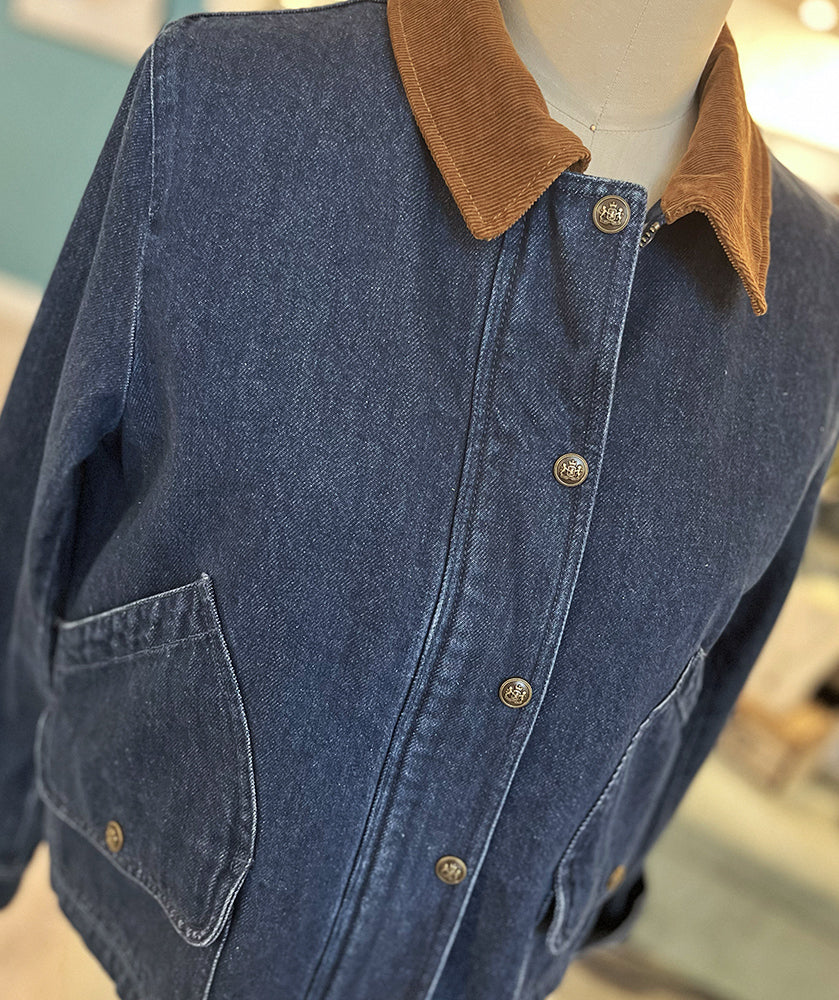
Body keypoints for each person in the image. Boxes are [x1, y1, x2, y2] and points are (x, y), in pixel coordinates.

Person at [2, 2, 839, 998]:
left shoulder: (815, 293)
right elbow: (39, 489)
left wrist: (588, 886)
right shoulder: (223, 101)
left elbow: (706, 675)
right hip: (167, 906)